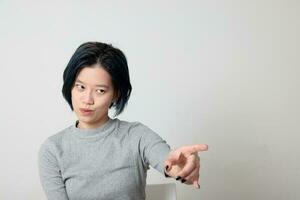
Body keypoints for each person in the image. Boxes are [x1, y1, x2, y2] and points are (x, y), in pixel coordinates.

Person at [38, 42, 208, 200]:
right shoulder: (52, 150)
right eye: (80, 87)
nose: (87, 99)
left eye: (100, 90)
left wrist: (182, 168)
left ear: (116, 94)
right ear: (70, 86)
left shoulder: (136, 135)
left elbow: (168, 161)